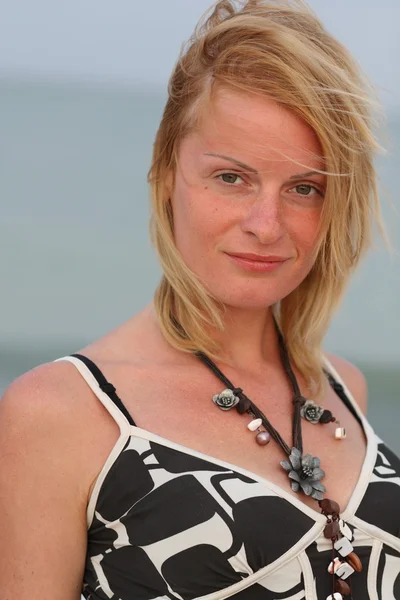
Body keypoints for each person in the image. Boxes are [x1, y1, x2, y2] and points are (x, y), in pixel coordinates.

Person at [1, 1, 399, 599]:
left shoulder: (340, 387)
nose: (266, 225)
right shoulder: (61, 413)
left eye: (304, 187)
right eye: (231, 177)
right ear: (165, 175)